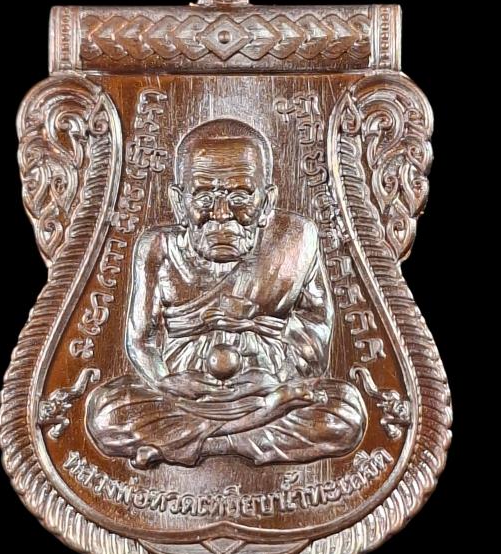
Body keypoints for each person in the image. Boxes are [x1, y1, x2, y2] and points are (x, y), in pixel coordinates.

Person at [86, 119, 367, 467]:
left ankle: (188, 443)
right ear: (179, 203)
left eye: (240, 197)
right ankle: (237, 437)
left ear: (267, 202)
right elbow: (141, 340)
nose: (221, 214)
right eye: (204, 197)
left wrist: (275, 378)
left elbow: (314, 328)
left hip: (269, 383)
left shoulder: (296, 239)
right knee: (107, 414)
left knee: (345, 414)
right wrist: (166, 381)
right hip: (187, 392)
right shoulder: (156, 248)